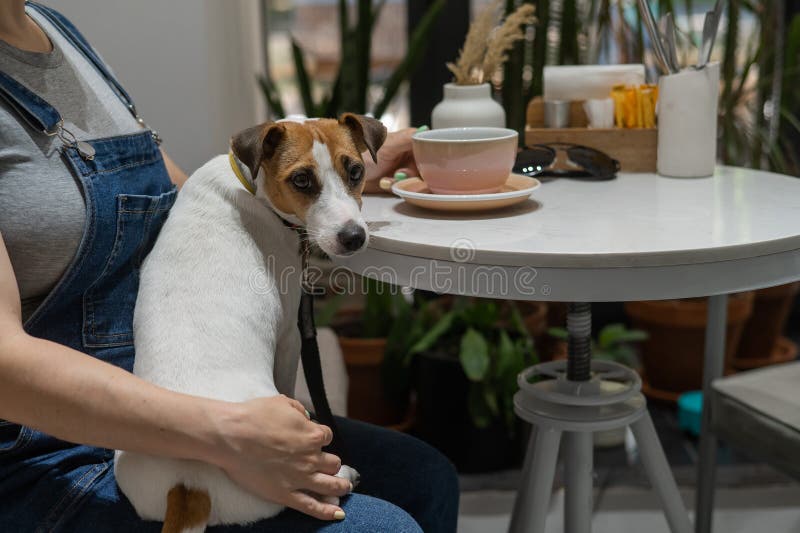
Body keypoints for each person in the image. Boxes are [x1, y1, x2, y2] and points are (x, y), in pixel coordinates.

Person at [0, 2, 458, 531]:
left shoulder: (58, 31)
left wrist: (335, 185)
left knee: (428, 477)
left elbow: (180, 198)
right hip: (53, 449)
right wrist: (229, 432)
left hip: (175, 381)